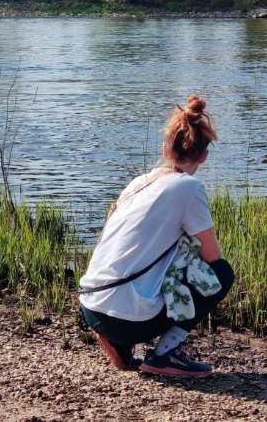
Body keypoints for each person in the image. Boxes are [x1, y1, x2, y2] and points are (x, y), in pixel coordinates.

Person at [79, 95, 234, 378]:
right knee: (222, 274)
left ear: (165, 149)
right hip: (129, 319)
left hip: (90, 304)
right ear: (203, 156)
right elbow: (213, 257)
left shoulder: (139, 183)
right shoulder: (189, 187)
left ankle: (118, 342)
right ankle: (165, 355)